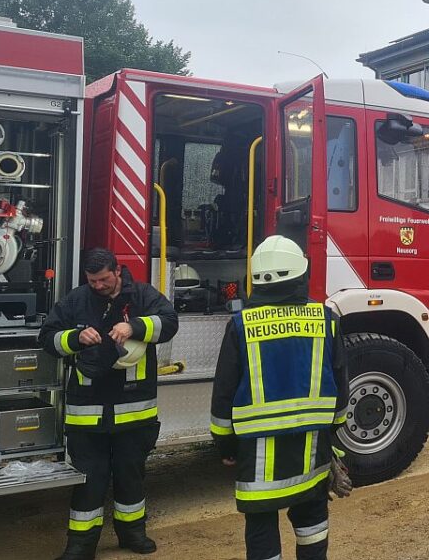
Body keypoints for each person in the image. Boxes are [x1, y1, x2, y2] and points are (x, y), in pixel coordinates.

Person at [209, 236, 353, 560]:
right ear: (300, 276)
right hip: (312, 450)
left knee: (261, 532)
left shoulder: (241, 325)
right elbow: (341, 385)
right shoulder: (326, 319)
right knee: (312, 525)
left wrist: (225, 445)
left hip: (257, 458)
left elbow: (223, 394)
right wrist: (333, 431)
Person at [40, 248, 179, 560]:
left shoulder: (142, 296)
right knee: (89, 479)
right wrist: (75, 338)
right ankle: (80, 546)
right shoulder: (77, 299)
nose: (98, 286)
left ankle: (133, 534)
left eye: (104, 279)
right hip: (87, 413)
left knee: (131, 475)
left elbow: (170, 322)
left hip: (134, 410)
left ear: (118, 271)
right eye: (93, 281)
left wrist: (135, 326)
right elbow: (47, 337)